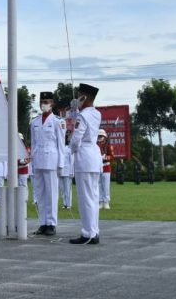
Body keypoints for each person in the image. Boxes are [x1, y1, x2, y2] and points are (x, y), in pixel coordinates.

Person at [69, 83, 102, 245]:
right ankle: (93, 231)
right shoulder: (96, 114)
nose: (77, 98)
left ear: (84, 97)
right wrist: (75, 110)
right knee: (93, 197)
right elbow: (79, 120)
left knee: (85, 199)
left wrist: (71, 149)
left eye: (79, 96)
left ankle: (88, 233)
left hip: (84, 157)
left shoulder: (83, 116)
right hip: (94, 157)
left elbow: (76, 139)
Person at [30, 91, 67, 236]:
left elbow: (61, 144)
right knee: (39, 193)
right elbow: (33, 143)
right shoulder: (34, 121)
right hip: (38, 159)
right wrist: (32, 160)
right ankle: (42, 223)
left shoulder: (58, 121)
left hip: (52, 160)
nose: (43, 105)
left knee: (51, 193)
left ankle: (51, 223)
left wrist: (61, 164)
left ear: (52, 103)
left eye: (46, 102)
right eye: (41, 102)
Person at [96, 129, 113, 209]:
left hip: (106, 167)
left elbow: (112, 156)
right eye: (99, 136)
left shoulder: (108, 145)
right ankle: (100, 201)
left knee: (106, 186)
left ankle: (106, 201)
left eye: (101, 136)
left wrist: (106, 157)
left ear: (104, 137)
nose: (100, 137)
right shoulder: (96, 145)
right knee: (99, 185)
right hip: (98, 167)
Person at [59, 130, 73, 208]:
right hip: (61, 171)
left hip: (67, 171)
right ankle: (64, 203)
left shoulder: (69, 149)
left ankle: (69, 204)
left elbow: (72, 161)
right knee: (62, 188)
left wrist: (71, 172)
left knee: (67, 189)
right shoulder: (59, 148)